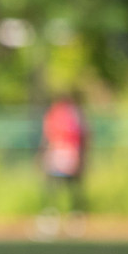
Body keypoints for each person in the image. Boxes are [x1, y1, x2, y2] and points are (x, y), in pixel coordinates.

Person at [38, 95, 88, 238]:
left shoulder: (63, 113)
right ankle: (63, 221)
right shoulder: (71, 113)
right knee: (60, 190)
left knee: (61, 190)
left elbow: (47, 137)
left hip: (65, 155)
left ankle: (69, 220)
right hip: (65, 155)